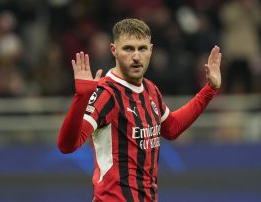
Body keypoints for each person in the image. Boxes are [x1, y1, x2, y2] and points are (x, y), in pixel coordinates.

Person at [57, 18, 222, 202]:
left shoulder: (150, 90)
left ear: (151, 50)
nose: (136, 56)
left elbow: (171, 128)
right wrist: (82, 98)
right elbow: (67, 145)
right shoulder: (106, 93)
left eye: (142, 48)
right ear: (114, 50)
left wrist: (209, 89)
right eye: (128, 48)